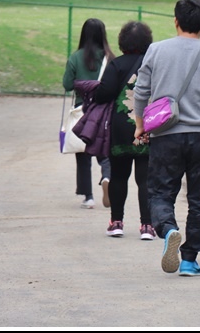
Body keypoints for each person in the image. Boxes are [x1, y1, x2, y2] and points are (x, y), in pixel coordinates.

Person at [132, 0, 200, 276]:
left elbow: (140, 92)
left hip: (165, 135)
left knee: (160, 192)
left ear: (175, 21)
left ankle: (168, 230)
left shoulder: (156, 50)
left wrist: (141, 125)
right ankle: (189, 260)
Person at [92, 20, 155, 240]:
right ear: (148, 41)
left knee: (119, 175)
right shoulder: (152, 64)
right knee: (145, 178)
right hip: (147, 127)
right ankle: (147, 226)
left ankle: (116, 222)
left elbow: (103, 94)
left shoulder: (116, 65)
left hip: (119, 128)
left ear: (122, 41)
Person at [62, 18, 116, 209]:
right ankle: (107, 177)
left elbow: (67, 84)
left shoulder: (75, 57)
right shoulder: (110, 58)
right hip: (104, 111)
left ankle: (89, 196)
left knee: (82, 153)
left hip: (82, 110)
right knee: (105, 150)